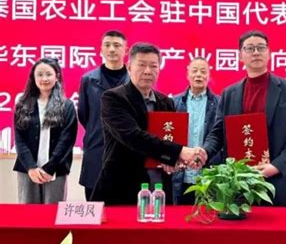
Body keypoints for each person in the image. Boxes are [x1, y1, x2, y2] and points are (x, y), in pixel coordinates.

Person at [91, 42, 206, 205]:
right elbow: (133, 136)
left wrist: (172, 161)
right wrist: (179, 152)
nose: (147, 71)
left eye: (153, 66)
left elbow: (169, 140)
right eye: (141, 65)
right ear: (129, 67)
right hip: (122, 188)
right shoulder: (113, 98)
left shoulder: (166, 102)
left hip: (160, 189)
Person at [203, 30, 286, 207]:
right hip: (239, 184)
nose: (256, 52)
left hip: (279, 182)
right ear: (240, 56)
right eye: (250, 48)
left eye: (261, 47)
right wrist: (204, 152)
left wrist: (275, 167)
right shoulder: (229, 93)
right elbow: (218, 133)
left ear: (269, 53)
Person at [13, 57, 78, 204]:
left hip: (56, 169)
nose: (44, 78)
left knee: (53, 213)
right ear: (33, 77)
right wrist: (31, 167)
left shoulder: (67, 106)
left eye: (49, 74)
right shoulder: (22, 104)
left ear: (57, 76)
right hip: (28, 170)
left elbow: (67, 140)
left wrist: (49, 168)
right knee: (28, 213)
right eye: (40, 74)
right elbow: (19, 140)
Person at [78, 30, 129, 200]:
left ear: (126, 50)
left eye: (117, 45)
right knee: (94, 208)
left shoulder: (134, 81)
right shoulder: (88, 80)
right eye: (107, 45)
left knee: (124, 210)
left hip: (127, 152)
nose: (112, 49)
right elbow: (84, 115)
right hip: (96, 150)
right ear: (101, 49)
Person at [172, 57, 221, 205]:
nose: (198, 75)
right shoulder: (174, 102)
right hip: (180, 174)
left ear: (209, 76)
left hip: (209, 175)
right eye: (194, 71)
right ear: (187, 75)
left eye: (203, 71)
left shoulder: (219, 103)